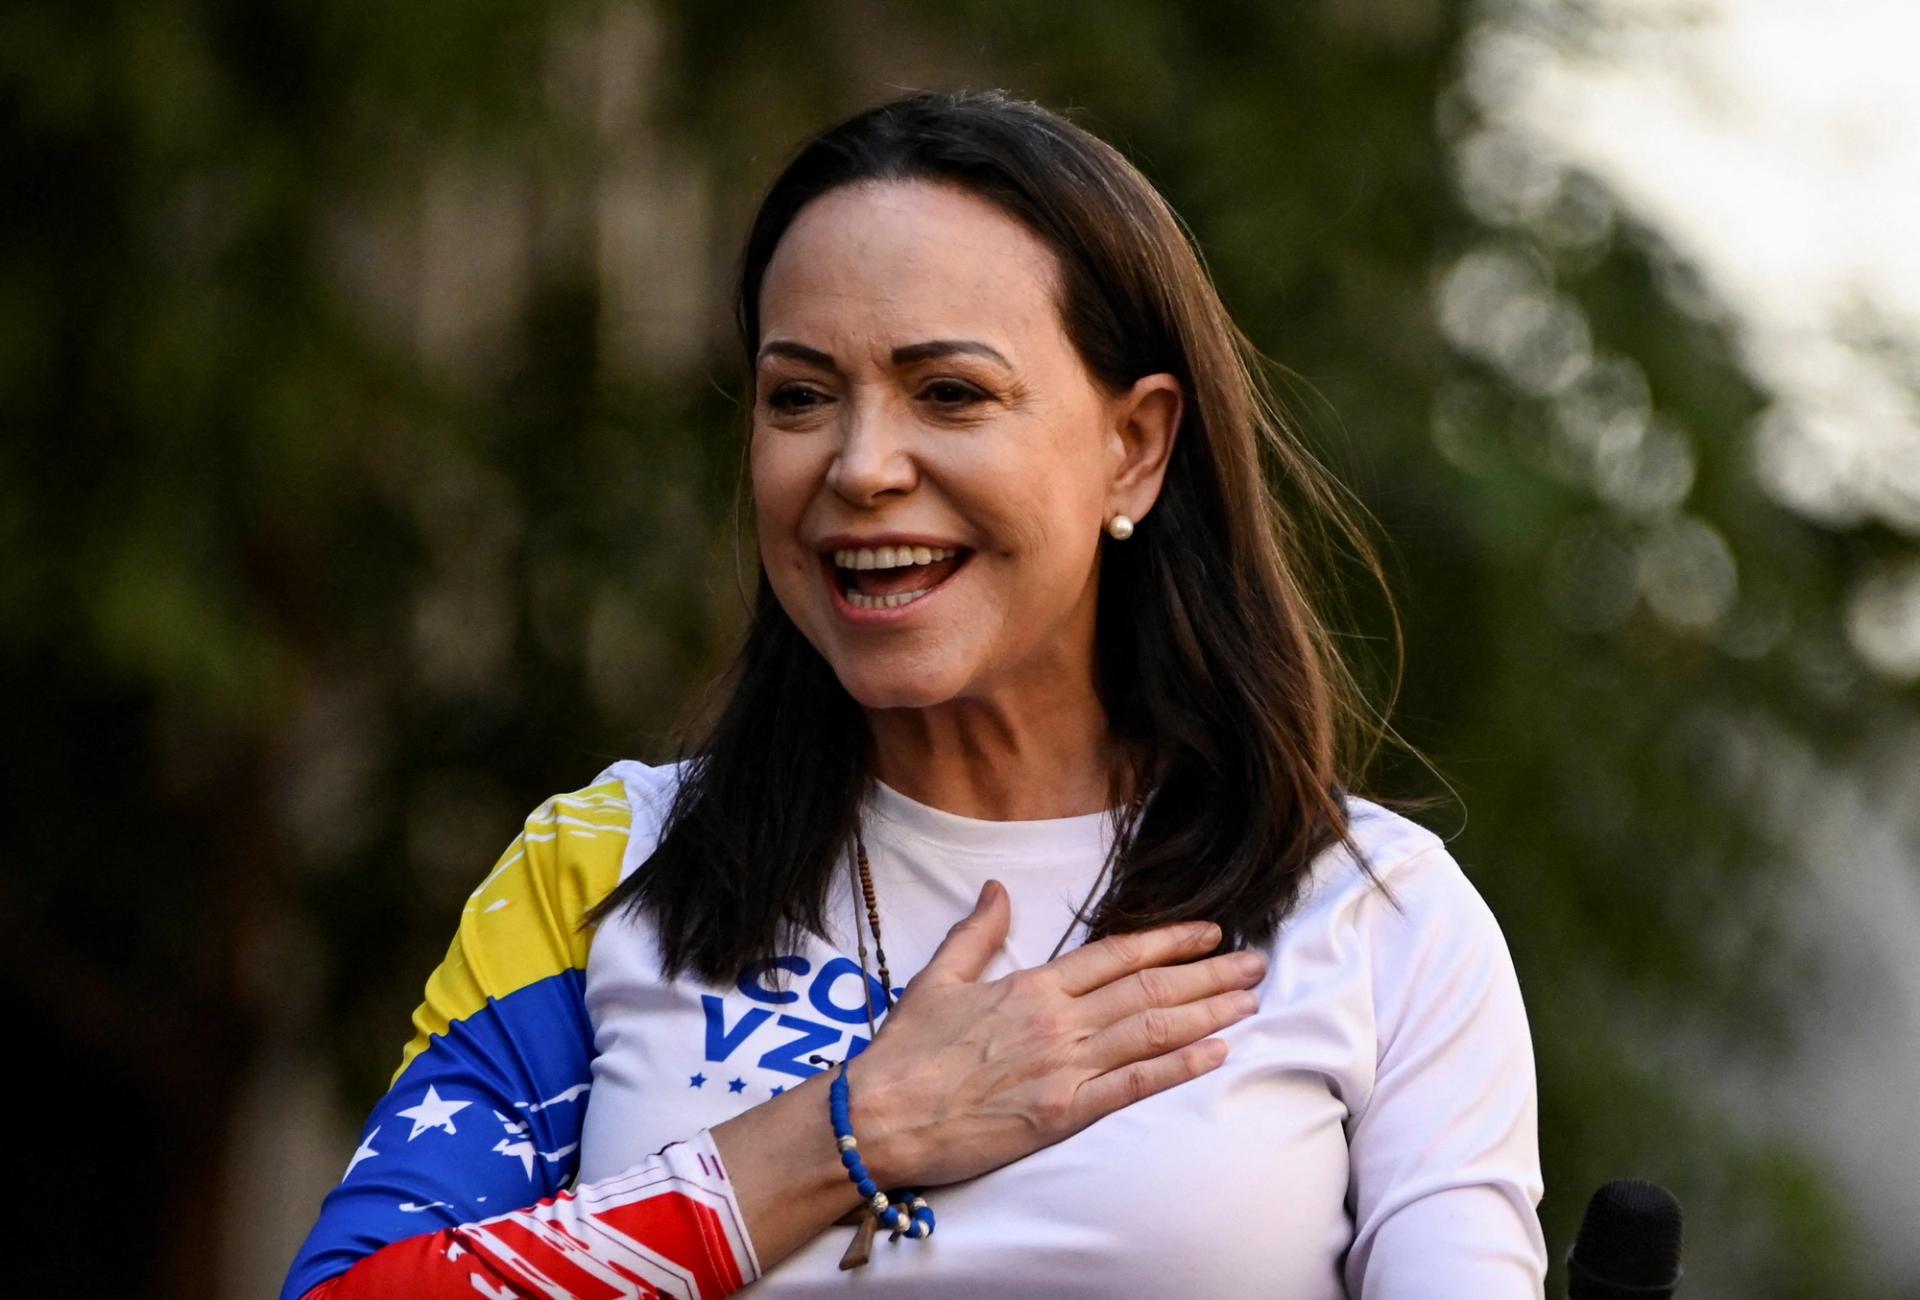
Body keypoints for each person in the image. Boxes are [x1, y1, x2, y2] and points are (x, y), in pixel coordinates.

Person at [283, 89, 1547, 1299]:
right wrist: (847, 1132)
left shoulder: (1380, 922)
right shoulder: (606, 867)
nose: (861, 466)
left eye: (951, 393)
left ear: (1137, 446)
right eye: (799, 397)